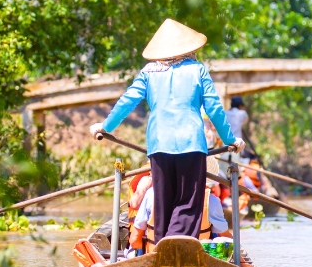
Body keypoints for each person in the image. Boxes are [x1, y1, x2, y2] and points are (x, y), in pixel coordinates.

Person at [90, 19, 245, 245]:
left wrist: (105, 127)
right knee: (188, 203)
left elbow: (127, 101)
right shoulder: (198, 70)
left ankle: (163, 246)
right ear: (188, 48)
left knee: (163, 202)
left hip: (159, 144)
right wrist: (231, 140)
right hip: (191, 145)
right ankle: (177, 245)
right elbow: (213, 108)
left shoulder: (149, 72)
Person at [129, 157, 231, 255]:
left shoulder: (151, 194)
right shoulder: (212, 201)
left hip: (157, 258)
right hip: (196, 259)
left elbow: (134, 241)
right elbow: (229, 241)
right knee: (218, 238)